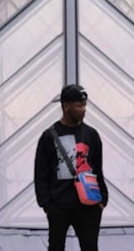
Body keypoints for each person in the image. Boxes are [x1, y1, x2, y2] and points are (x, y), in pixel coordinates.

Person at [34, 84, 108, 251]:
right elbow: (41, 173)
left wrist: (102, 199)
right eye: (79, 105)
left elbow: (97, 169)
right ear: (66, 106)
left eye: (85, 105)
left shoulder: (91, 135)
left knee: (90, 247)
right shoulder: (49, 136)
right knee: (56, 247)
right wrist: (47, 205)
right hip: (59, 205)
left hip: (89, 204)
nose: (84, 109)